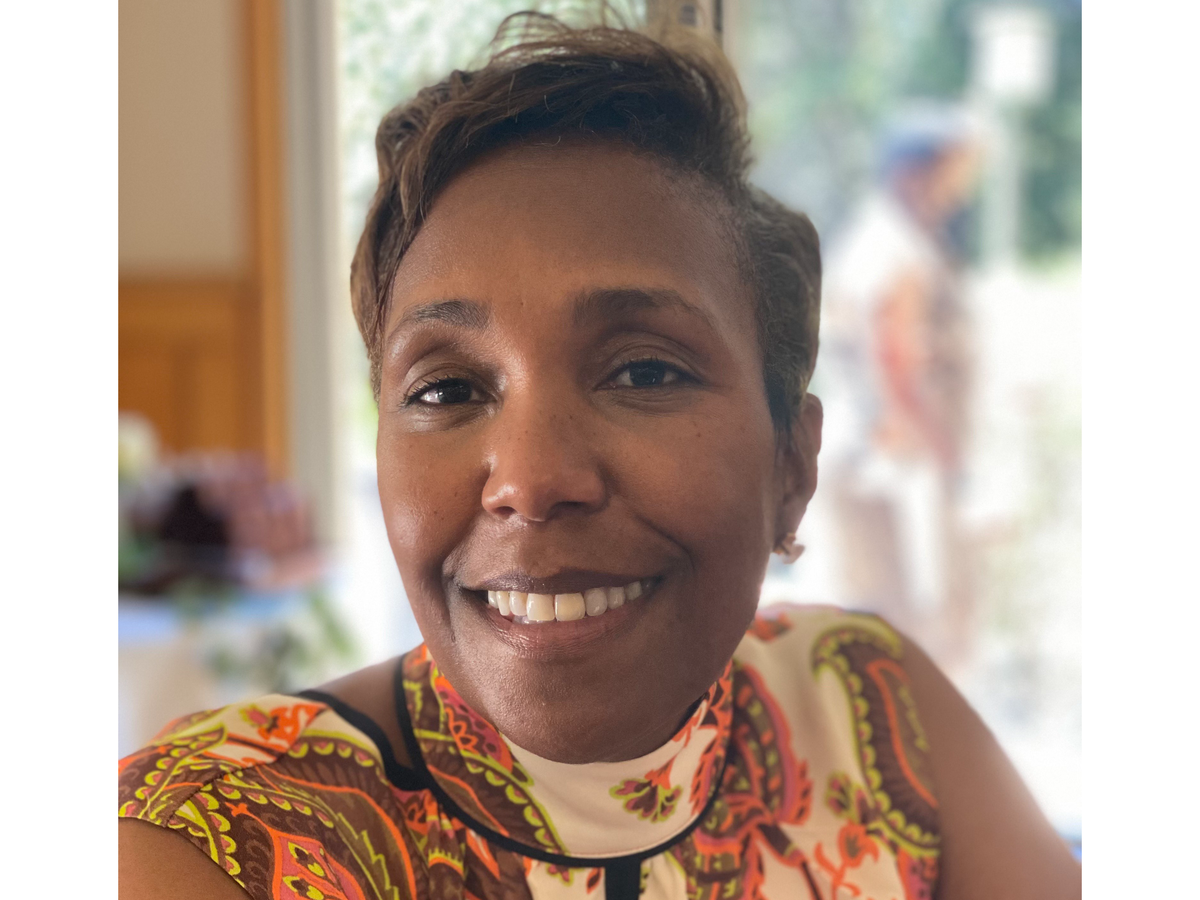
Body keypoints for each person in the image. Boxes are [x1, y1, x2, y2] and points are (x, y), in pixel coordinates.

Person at [118, 12, 1080, 900]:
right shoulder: (207, 843)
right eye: (447, 390)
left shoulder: (871, 712)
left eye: (645, 372)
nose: (531, 481)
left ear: (792, 468)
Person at [819, 105, 982, 662]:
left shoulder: (881, 239)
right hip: (890, 466)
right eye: (952, 175)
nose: (958, 194)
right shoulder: (895, 250)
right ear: (912, 174)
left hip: (878, 461)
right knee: (900, 637)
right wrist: (955, 466)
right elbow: (898, 368)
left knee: (885, 631)